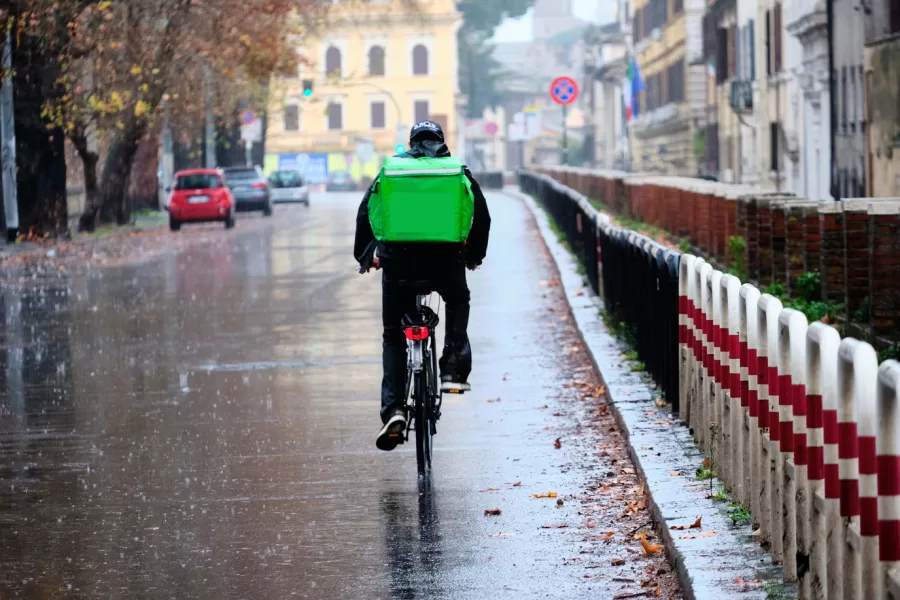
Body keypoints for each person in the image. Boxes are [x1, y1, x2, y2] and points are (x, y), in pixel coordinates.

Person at [354, 121, 491, 451]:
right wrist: (473, 256)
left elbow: (367, 213)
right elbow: (482, 216)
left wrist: (367, 256)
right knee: (457, 299)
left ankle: (394, 410)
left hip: (398, 264)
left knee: (393, 336)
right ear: (441, 143)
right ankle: (453, 368)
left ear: (412, 143)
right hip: (446, 262)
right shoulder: (456, 171)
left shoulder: (392, 171)